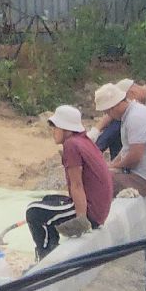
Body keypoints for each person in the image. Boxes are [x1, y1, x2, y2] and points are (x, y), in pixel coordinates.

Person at [24, 104, 113, 261]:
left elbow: (77, 185)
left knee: (34, 211)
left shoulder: (71, 145)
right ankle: (52, 245)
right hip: (100, 210)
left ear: (66, 129)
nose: (53, 132)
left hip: (91, 211)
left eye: (56, 127)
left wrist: (81, 220)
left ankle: (45, 257)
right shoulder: (83, 140)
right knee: (47, 201)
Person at [93, 82, 146, 197]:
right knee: (100, 172)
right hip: (138, 174)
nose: (108, 115)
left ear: (114, 106)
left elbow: (135, 157)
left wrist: (114, 167)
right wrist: (111, 165)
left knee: (95, 181)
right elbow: (127, 149)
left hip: (142, 180)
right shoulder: (131, 113)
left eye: (107, 111)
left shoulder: (135, 117)